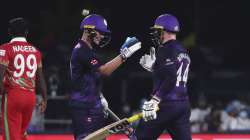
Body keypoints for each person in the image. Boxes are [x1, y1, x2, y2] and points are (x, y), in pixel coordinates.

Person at [69, 14, 141, 140]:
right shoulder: (81, 50)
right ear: (88, 30)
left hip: (92, 105)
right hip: (84, 108)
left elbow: (91, 80)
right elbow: (104, 71)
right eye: (100, 32)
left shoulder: (88, 50)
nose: (102, 36)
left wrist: (100, 97)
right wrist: (124, 55)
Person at [135, 13, 192, 140]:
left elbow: (171, 77)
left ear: (164, 30)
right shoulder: (182, 49)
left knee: (138, 138)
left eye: (157, 30)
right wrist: (155, 68)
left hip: (166, 104)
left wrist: (155, 100)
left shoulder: (165, 49)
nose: (156, 34)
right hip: (183, 105)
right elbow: (173, 73)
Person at [0, 17, 47, 140]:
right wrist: (44, 98)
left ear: (10, 32)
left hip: (13, 95)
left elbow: (0, 75)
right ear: (26, 32)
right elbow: (40, 78)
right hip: (30, 98)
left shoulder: (5, 48)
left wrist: (3, 93)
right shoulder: (35, 51)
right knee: (21, 133)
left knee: (11, 136)